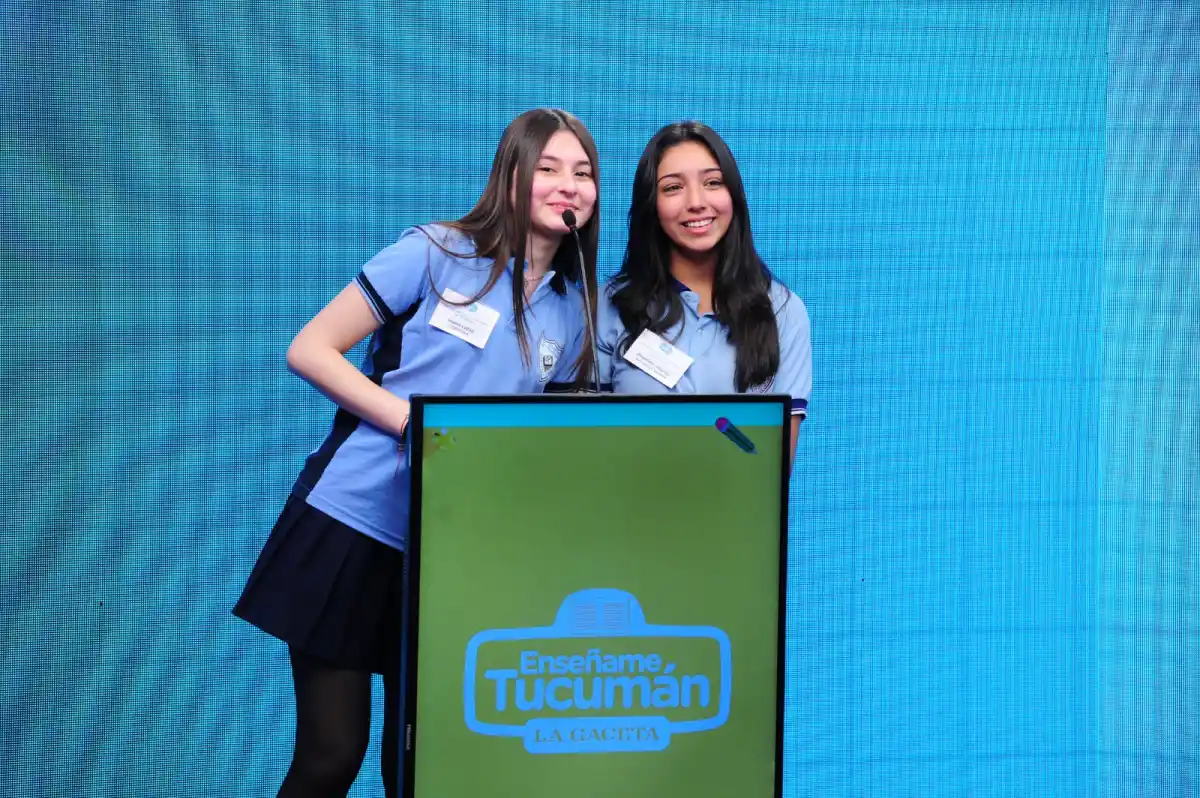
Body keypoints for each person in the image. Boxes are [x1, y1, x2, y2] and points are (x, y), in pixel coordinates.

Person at [232, 108, 600, 798]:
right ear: (511, 175)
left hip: (451, 556)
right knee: (331, 757)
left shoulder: (571, 313)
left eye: (583, 174)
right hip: (349, 527)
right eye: (548, 168)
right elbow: (310, 349)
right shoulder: (435, 251)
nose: (568, 186)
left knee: (424, 771)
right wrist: (415, 426)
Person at [599, 121, 811, 461]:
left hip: (737, 511)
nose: (696, 202)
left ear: (735, 195)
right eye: (673, 188)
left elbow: (772, 468)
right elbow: (592, 446)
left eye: (713, 182)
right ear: (650, 204)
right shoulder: (608, 305)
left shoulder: (783, 310)